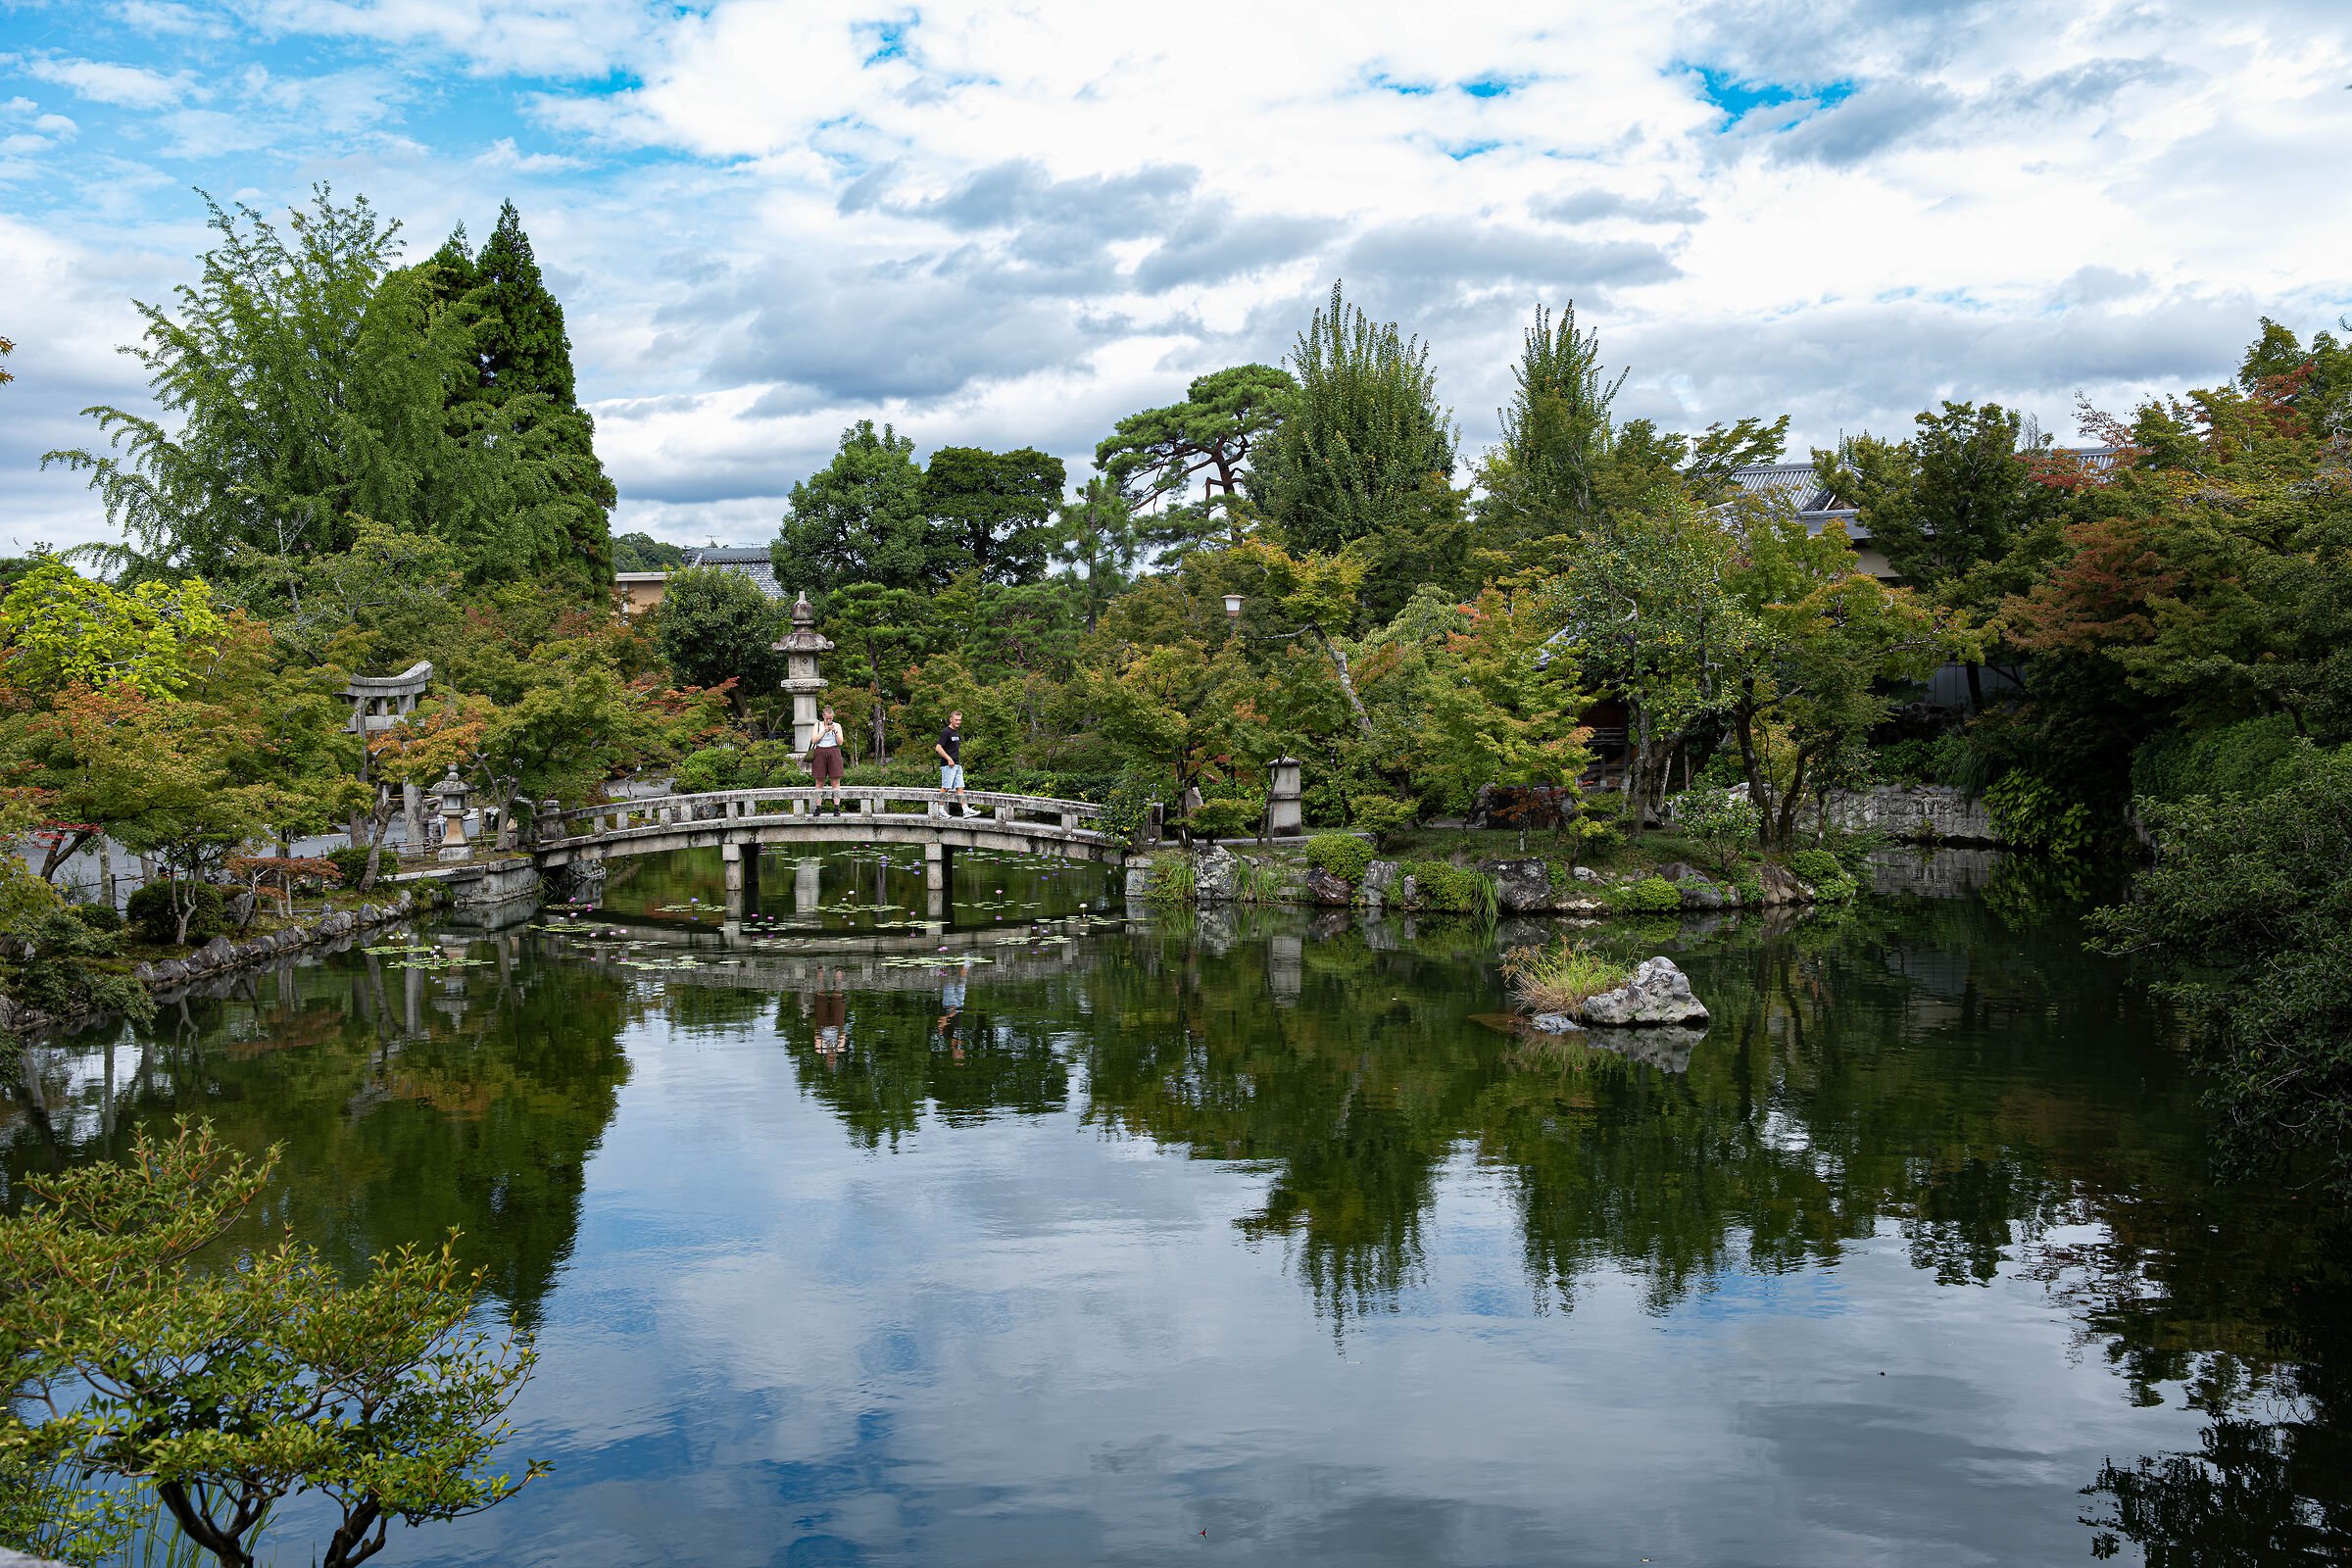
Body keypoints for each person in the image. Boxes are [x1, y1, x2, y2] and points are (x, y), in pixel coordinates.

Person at [810, 705, 846, 811]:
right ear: (823, 716)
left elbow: (840, 742)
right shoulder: (817, 725)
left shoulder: (837, 726)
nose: (829, 720)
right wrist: (823, 731)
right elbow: (814, 740)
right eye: (827, 718)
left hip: (833, 751)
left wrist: (835, 731)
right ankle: (818, 808)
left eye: (831, 718)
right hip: (820, 751)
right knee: (819, 781)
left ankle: (836, 808)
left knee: (835, 781)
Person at [935, 710, 966, 815]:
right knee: (946, 787)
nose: (958, 722)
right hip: (948, 765)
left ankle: (966, 810)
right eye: (956, 720)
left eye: (960, 720)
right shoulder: (946, 732)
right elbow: (938, 748)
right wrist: (948, 759)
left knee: (960, 787)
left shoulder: (956, 732)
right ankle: (940, 810)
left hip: (957, 765)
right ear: (951, 719)